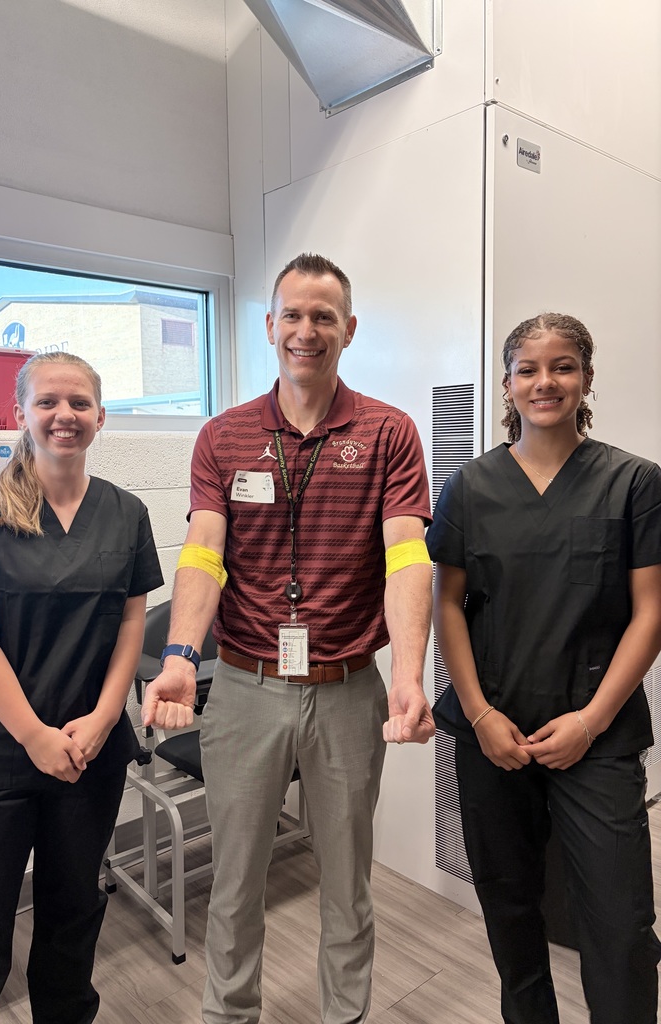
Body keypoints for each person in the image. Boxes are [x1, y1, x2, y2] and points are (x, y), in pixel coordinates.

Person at [142, 252, 435, 1024]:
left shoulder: (387, 433)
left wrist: (409, 673)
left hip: (347, 690)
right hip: (242, 688)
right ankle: (228, 1015)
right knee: (235, 882)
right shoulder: (224, 436)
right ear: (270, 326)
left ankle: (344, 1016)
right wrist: (179, 656)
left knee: (348, 882)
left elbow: (407, 553)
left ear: (349, 330)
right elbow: (205, 549)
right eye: (294, 316)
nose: (307, 331)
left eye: (324, 317)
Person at [427, 313, 661, 1024]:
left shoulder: (634, 483)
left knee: (621, 923)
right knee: (510, 904)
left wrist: (591, 722)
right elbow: (447, 606)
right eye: (528, 369)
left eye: (562, 366)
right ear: (507, 384)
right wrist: (479, 714)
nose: (545, 382)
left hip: (596, 736)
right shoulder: (471, 486)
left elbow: (650, 613)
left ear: (586, 378)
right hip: (493, 735)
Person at [0, 351, 163, 1024]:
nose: (66, 416)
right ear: (21, 413)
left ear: (101, 416)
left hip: (87, 756)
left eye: (80, 403)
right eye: (49, 403)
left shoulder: (126, 512)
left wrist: (103, 716)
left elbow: (129, 627)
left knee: (72, 921)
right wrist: (32, 735)